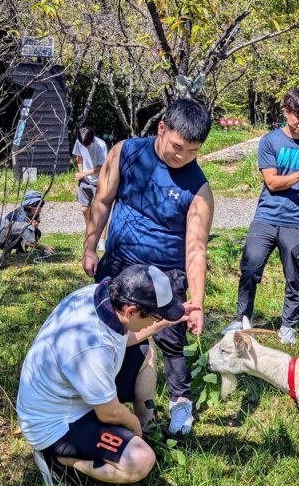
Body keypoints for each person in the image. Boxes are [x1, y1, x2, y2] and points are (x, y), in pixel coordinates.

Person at [82, 99, 214, 435]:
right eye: (177, 147)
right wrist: (89, 247)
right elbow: (102, 200)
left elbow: (196, 249)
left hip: (165, 275)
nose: (182, 156)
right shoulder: (125, 152)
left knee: (171, 339)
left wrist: (196, 302)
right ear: (161, 129)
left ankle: (180, 403)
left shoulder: (198, 189)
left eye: (193, 151)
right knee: (105, 329)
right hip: (119, 263)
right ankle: (100, 396)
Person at [17, 264, 195, 486]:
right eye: (154, 315)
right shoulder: (92, 345)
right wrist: (134, 428)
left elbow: (126, 338)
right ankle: (58, 459)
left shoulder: (96, 296)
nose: (155, 321)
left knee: (145, 348)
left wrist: (165, 322)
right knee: (139, 460)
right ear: (131, 311)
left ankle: (148, 425)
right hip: (57, 424)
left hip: (74, 396)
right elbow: (108, 412)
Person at [223, 89, 299, 343]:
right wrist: (298, 175)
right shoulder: (270, 141)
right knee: (249, 268)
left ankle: (288, 326)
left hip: (295, 221)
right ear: (286, 112)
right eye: (298, 115)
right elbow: (271, 182)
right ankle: (241, 319)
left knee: (294, 277)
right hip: (266, 217)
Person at [72, 126, 108, 252]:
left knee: (101, 211)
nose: (86, 146)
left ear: (93, 139)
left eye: (87, 144)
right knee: (85, 208)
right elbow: (79, 157)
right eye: (84, 144)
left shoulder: (101, 145)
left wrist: (84, 174)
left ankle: (102, 241)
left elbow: (101, 166)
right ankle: (90, 233)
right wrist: (81, 174)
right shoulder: (79, 141)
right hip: (85, 180)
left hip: (100, 181)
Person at [0, 190, 54, 254]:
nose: (40, 208)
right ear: (29, 205)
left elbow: (33, 231)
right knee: (18, 235)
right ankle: (6, 254)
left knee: (37, 232)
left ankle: (20, 251)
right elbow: (29, 241)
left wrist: (33, 227)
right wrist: (44, 248)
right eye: (37, 205)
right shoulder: (20, 217)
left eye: (41, 204)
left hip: (18, 235)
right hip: (3, 240)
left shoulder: (34, 212)